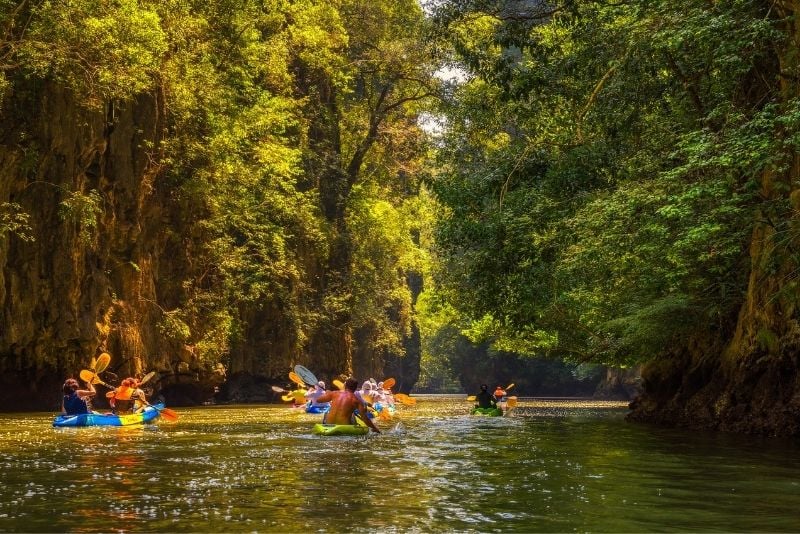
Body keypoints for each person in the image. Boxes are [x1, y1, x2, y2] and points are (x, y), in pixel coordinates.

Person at [315, 378, 380, 433]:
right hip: (345, 426)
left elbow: (318, 400)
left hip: (328, 424)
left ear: (345, 385)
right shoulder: (356, 400)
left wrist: (328, 394)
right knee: (353, 415)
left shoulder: (334, 393)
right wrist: (375, 429)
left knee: (326, 413)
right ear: (355, 388)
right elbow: (365, 419)